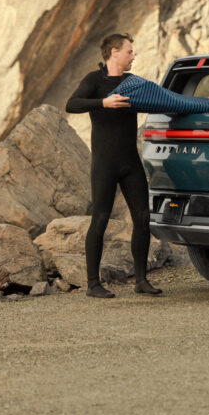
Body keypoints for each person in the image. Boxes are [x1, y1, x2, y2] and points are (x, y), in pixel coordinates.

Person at [66, 33, 162, 298]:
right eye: (129, 51)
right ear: (114, 52)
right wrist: (103, 102)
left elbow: (162, 98)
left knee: (143, 217)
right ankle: (93, 285)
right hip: (105, 164)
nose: (133, 56)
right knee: (100, 220)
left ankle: (141, 281)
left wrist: (202, 103)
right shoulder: (94, 81)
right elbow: (71, 104)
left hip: (130, 162)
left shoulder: (132, 83)